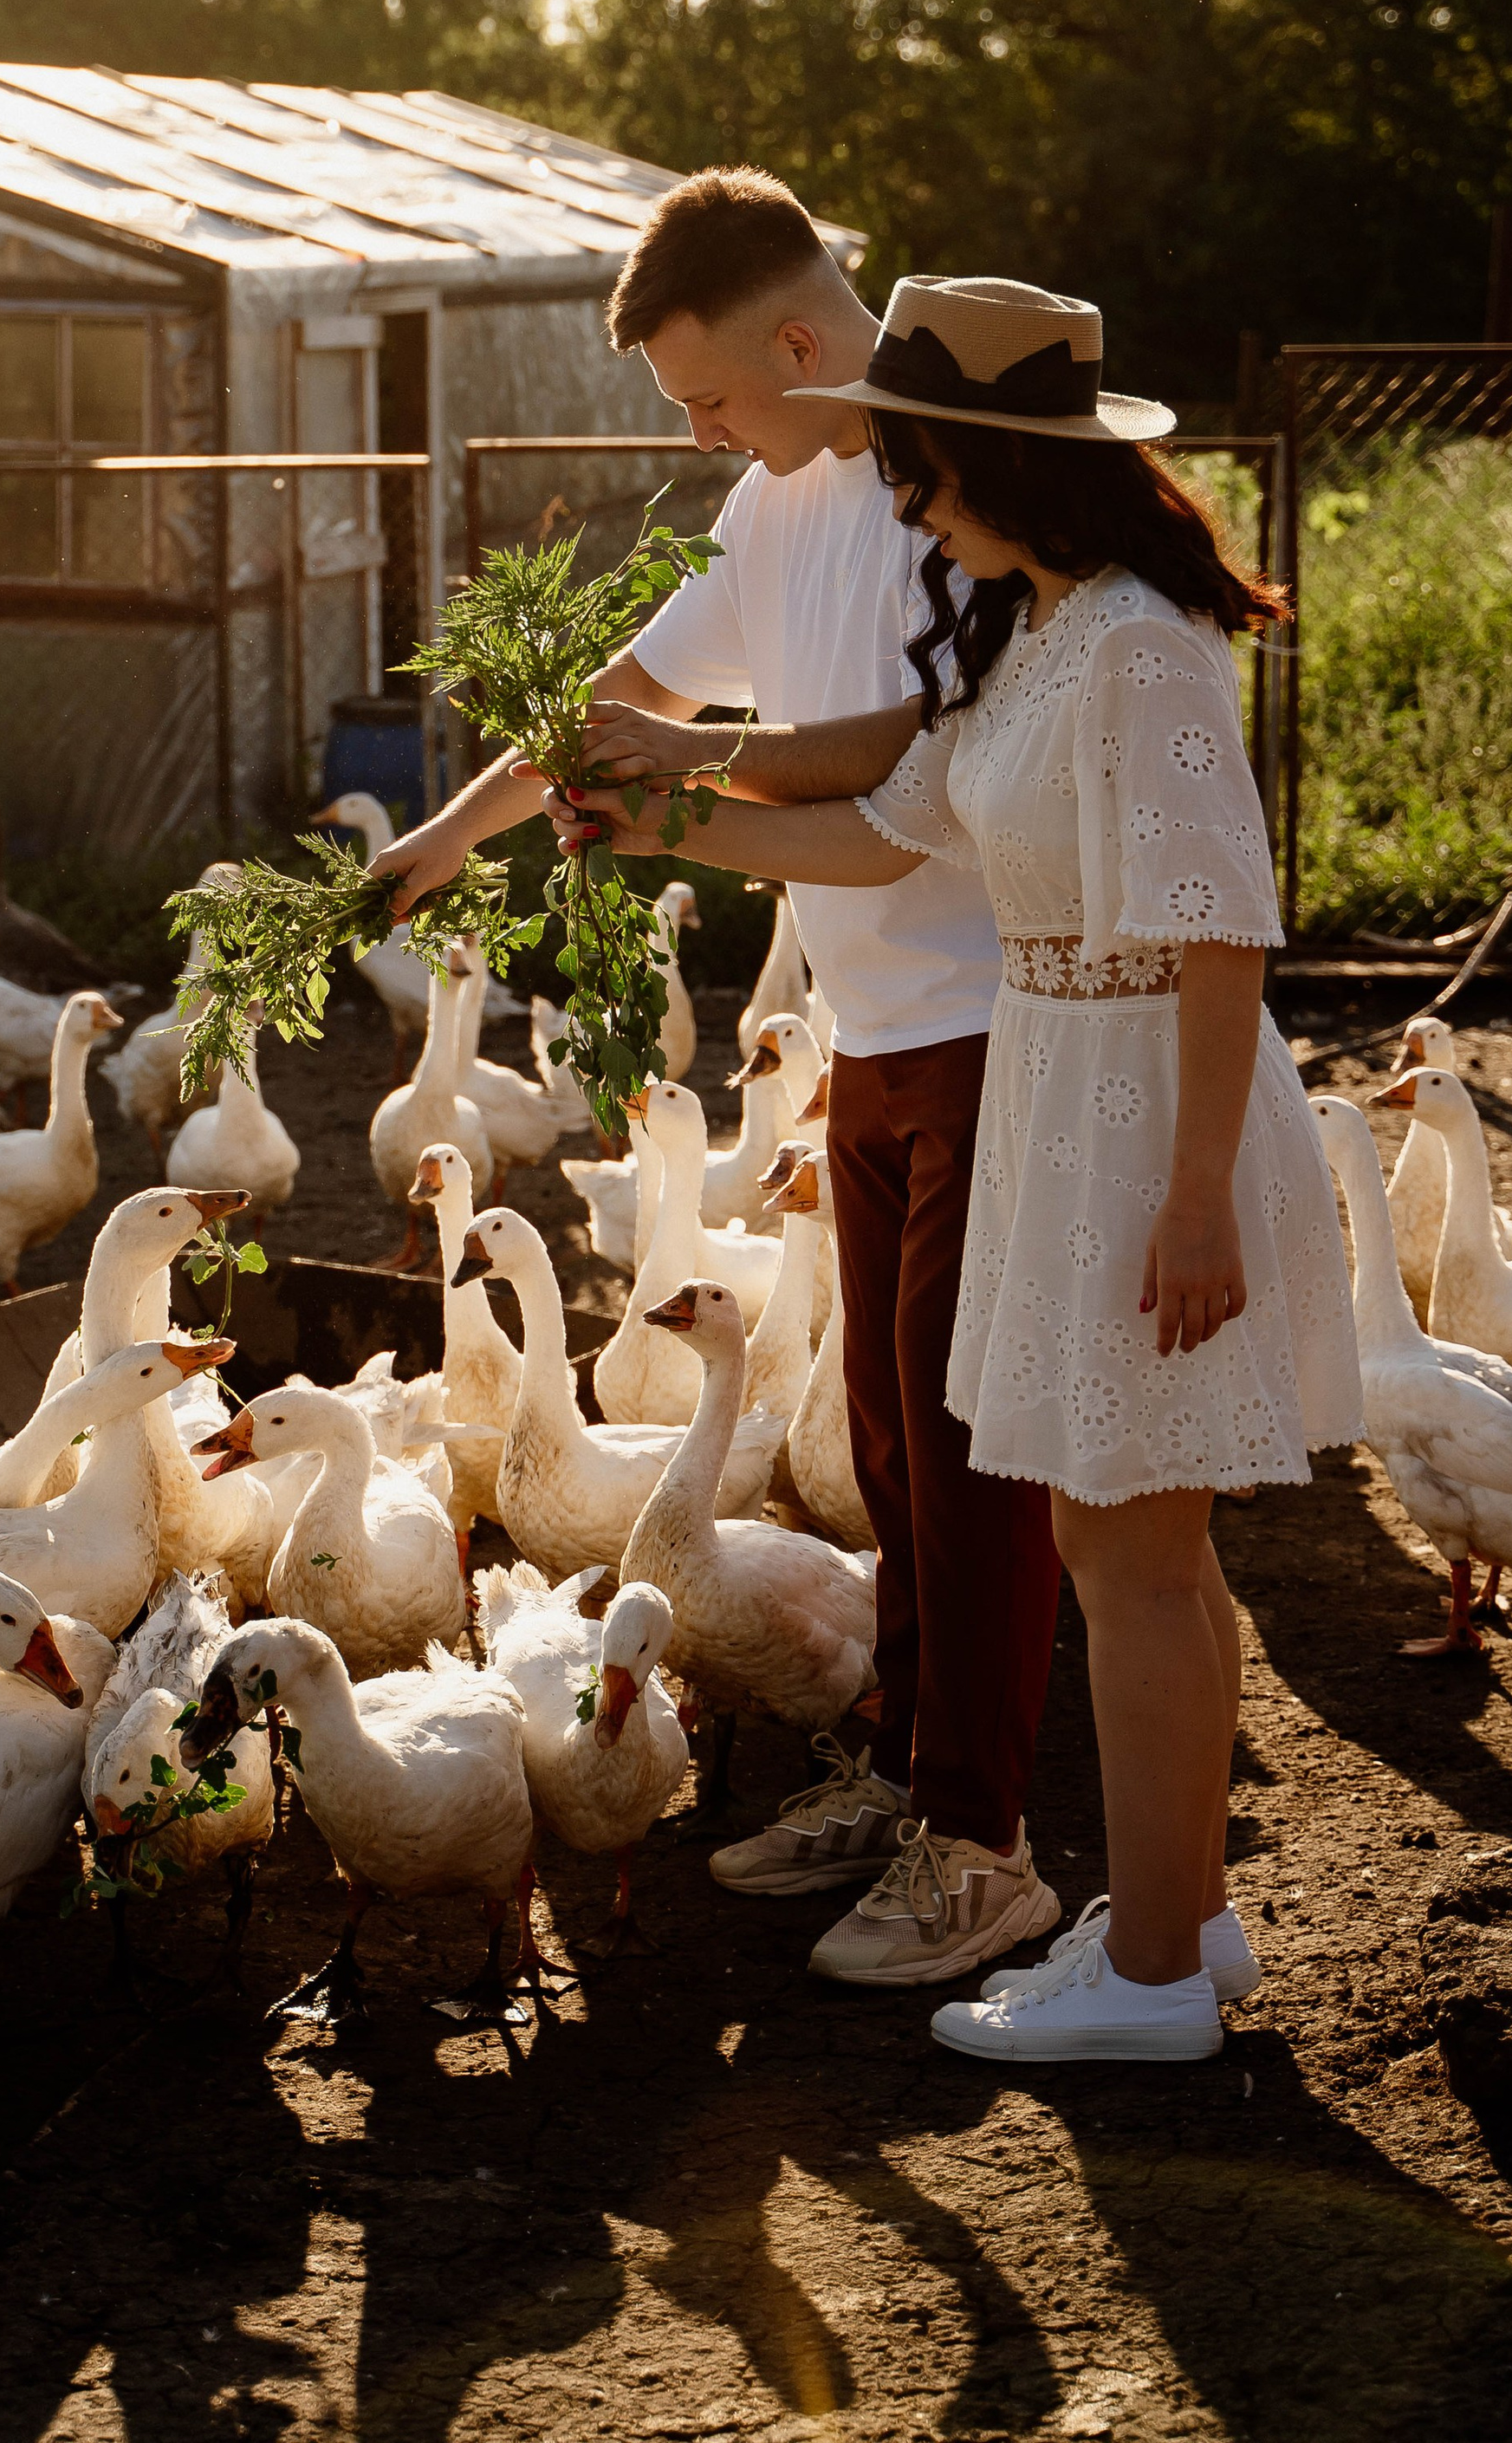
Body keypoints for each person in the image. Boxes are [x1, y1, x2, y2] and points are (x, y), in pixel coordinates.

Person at [555, 272, 1363, 2063]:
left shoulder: (1138, 647)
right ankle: (1184, 1928)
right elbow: (873, 827)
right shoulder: (1033, 630)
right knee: (1136, 1541)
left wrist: (1193, 1190)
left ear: (997, 464)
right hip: (1072, 1085)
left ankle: (1146, 1983)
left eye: (915, 468)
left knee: (1127, 1553)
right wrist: (652, 812)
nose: (899, 502)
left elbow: (1219, 927)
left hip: (1143, 1105)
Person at [371, 170, 1069, 1992]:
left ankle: (982, 1843)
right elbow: (621, 695)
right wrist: (444, 840)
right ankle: (914, 1775)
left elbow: (890, 772)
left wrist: (679, 778)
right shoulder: (771, 506)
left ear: (791, 335)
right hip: (871, 1034)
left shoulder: (949, 498)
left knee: (965, 1443)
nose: (694, 433)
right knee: (897, 1449)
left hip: (1006, 1018)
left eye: (704, 396)